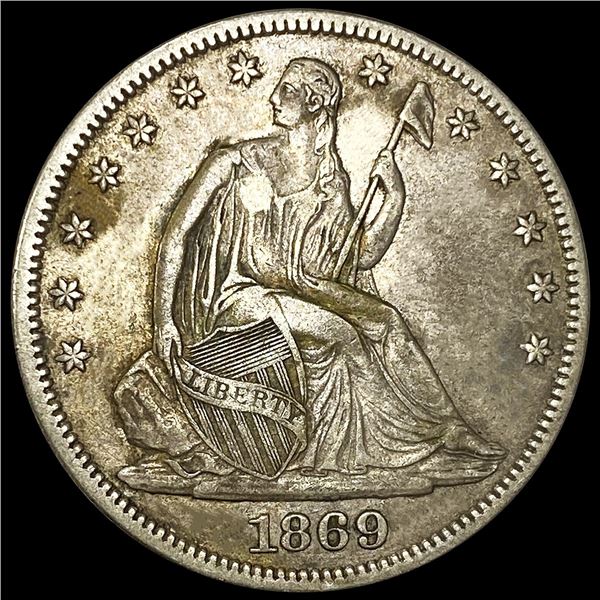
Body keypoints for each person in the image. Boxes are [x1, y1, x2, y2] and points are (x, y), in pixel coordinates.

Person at [116, 57, 505, 481]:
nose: (273, 98)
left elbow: (360, 255)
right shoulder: (232, 162)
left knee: (387, 319)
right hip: (237, 298)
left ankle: (448, 429)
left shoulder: (329, 179)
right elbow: (175, 236)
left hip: (300, 289)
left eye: (286, 90)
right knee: (342, 333)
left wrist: (394, 197)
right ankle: (394, 448)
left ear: (314, 102)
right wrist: (164, 321)